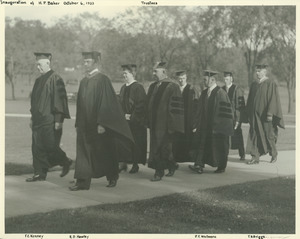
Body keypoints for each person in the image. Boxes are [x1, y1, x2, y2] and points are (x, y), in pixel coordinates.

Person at [69, 51, 133, 191]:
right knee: (83, 152)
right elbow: (80, 105)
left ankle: (112, 175)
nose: (85, 64)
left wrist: (102, 123)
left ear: (96, 63)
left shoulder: (103, 80)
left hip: (98, 124)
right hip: (84, 124)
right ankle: (82, 182)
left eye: (88, 62)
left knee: (104, 151)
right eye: (84, 61)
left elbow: (107, 103)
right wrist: (77, 123)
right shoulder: (84, 81)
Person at [27, 52, 72, 182]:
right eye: (37, 65)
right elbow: (34, 102)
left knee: (50, 146)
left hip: (49, 119)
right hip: (37, 120)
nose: (38, 67)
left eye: (40, 64)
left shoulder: (55, 78)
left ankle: (65, 161)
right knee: (36, 147)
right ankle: (39, 173)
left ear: (48, 63)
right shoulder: (38, 80)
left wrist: (59, 120)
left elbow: (60, 100)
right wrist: (32, 117)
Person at [189, 70, 234, 174]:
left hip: (216, 126)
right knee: (201, 144)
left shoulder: (221, 93)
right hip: (204, 125)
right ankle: (199, 165)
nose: (204, 81)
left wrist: (219, 126)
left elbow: (225, 112)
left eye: (205, 80)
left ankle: (221, 166)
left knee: (218, 146)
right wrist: (196, 123)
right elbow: (199, 110)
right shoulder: (204, 93)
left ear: (212, 80)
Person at [147, 62, 184, 181]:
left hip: (166, 124)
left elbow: (176, 108)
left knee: (162, 147)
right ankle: (172, 165)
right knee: (159, 147)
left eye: (155, 71)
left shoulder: (173, 86)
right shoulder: (153, 86)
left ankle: (159, 172)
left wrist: (173, 126)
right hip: (154, 123)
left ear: (163, 72)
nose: (153, 74)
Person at [245, 64, 285, 164]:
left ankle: (274, 153)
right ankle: (255, 157)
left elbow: (273, 99)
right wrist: (248, 113)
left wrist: (270, 113)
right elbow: (250, 100)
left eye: (259, 71)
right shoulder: (254, 84)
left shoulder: (270, 83)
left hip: (265, 115)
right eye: (256, 71)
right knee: (254, 134)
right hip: (255, 115)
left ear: (265, 72)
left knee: (268, 135)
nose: (257, 73)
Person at [118, 64, 147, 174]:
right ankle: (123, 163)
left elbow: (141, 105)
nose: (123, 75)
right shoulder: (123, 87)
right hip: (125, 120)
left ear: (132, 74)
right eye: (123, 73)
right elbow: (120, 104)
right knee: (123, 142)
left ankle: (135, 164)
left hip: (136, 121)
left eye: (126, 73)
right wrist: (122, 115)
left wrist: (131, 116)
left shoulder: (138, 87)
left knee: (135, 142)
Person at [173, 70, 199, 164]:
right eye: (179, 79)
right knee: (177, 137)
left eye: (183, 78)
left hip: (188, 119)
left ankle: (188, 157)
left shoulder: (192, 89)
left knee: (188, 137)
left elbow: (196, 107)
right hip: (178, 119)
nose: (181, 80)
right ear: (177, 79)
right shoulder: (175, 89)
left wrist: (195, 121)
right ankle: (178, 156)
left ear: (186, 78)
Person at [222, 71, 246, 161]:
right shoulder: (222, 89)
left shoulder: (236, 89)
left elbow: (240, 106)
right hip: (225, 117)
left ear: (231, 79)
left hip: (235, 117)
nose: (225, 80)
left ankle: (242, 154)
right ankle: (225, 154)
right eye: (224, 78)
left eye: (227, 79)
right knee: (224, 136)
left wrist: (238, 120)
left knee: (238, 135)